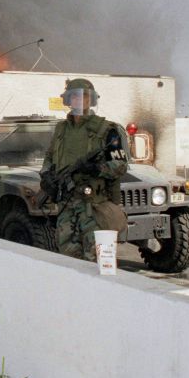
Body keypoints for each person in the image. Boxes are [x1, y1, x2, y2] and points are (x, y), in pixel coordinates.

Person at [40, 78, 129, 262]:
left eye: (84, 97)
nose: (79, 101)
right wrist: (46, 175)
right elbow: (50, 157)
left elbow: (121, 165)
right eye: (74, 97)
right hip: (67, 204)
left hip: (95, 207)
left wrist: (97, 168)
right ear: (68, 100)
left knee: (101, 262)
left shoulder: (107, 130)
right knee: (68, 260)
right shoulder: (61, 129)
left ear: (91, 100)